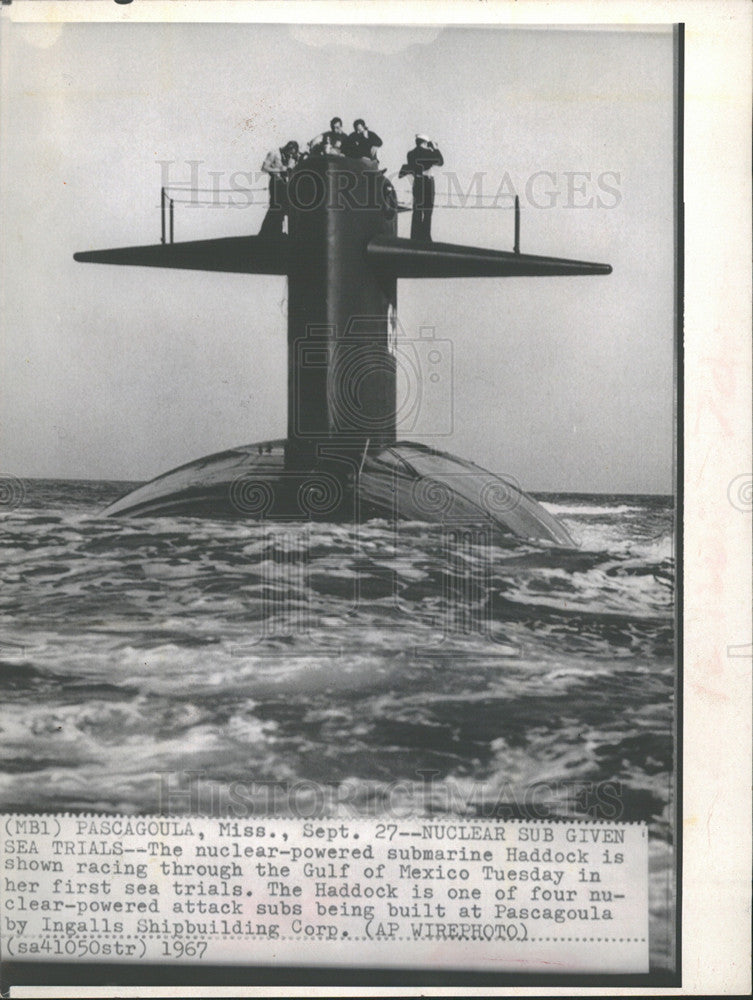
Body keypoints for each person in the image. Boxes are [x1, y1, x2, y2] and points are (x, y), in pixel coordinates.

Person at [399, 133, 444, 242]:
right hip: (427, 182)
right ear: (425, 142)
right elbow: (440, 162)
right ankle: (425, 237)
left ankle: (415, 236)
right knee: (427, 211)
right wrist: (436, 149)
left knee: (417, 210)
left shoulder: (410, 154)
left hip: (417, 182)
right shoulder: (429, 153)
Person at [259, 140, 300, 236]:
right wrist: (279, 170)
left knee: (286, 208)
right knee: (275, 207)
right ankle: (267, 232)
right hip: (276, 182)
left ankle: (279, 231)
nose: (290, 155)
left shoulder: (292, 157)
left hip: (286, 184)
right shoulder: (274, 153)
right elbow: (264, 168)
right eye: (289, 153)